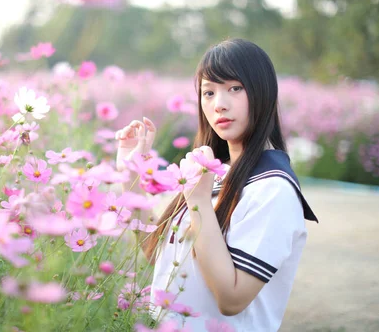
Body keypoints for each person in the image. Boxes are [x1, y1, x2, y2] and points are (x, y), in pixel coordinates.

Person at [114, 38, 319, 331]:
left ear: (264, 92)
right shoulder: (215, 174)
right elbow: (159, 255)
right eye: (208, 92)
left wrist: (197, 202)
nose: (219, 104)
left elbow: (232, 298)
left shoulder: (272, 189)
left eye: (235, 88)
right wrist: (129, 175)